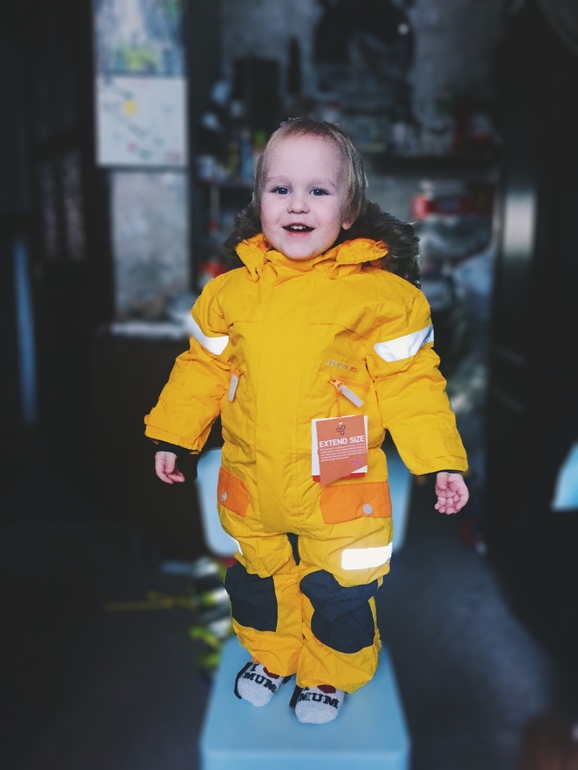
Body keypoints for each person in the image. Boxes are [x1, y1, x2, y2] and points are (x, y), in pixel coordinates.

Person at [144, 116, 469, 724]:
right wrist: (175, 435)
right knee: (259, 580)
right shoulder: (229, 294)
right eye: (281, 188)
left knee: (340, 589)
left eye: (318, 190)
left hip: (340, 486)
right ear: (259, 202)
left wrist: (439, 461)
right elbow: (202, 369)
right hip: (254, 480)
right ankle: (272, 656)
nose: (297, 204)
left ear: (349, 211)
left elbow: (411, 383)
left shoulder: (385, 299)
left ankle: (328, 674)